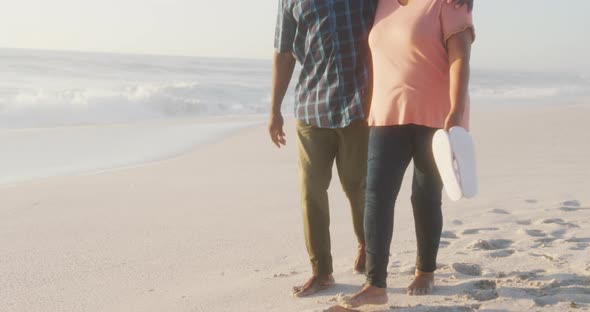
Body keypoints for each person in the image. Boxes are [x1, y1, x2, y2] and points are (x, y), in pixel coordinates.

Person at [269, 0, 472, 298]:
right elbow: (284, 51)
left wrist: (455, 110)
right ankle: (349, 278)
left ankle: (402, 262)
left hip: (395, 111)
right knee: (345, 193)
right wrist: (274, 108)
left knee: (394, 192)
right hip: (349, 110)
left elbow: (454, 48)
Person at [342, 0, 475, 307]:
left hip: (437, 115)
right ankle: (375, 285)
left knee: (425, 196)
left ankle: (425, 270)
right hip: (387, 113)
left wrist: (455, 111)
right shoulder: (381, 4)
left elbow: (460, 57)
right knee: (376, 194)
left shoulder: (447, 3)